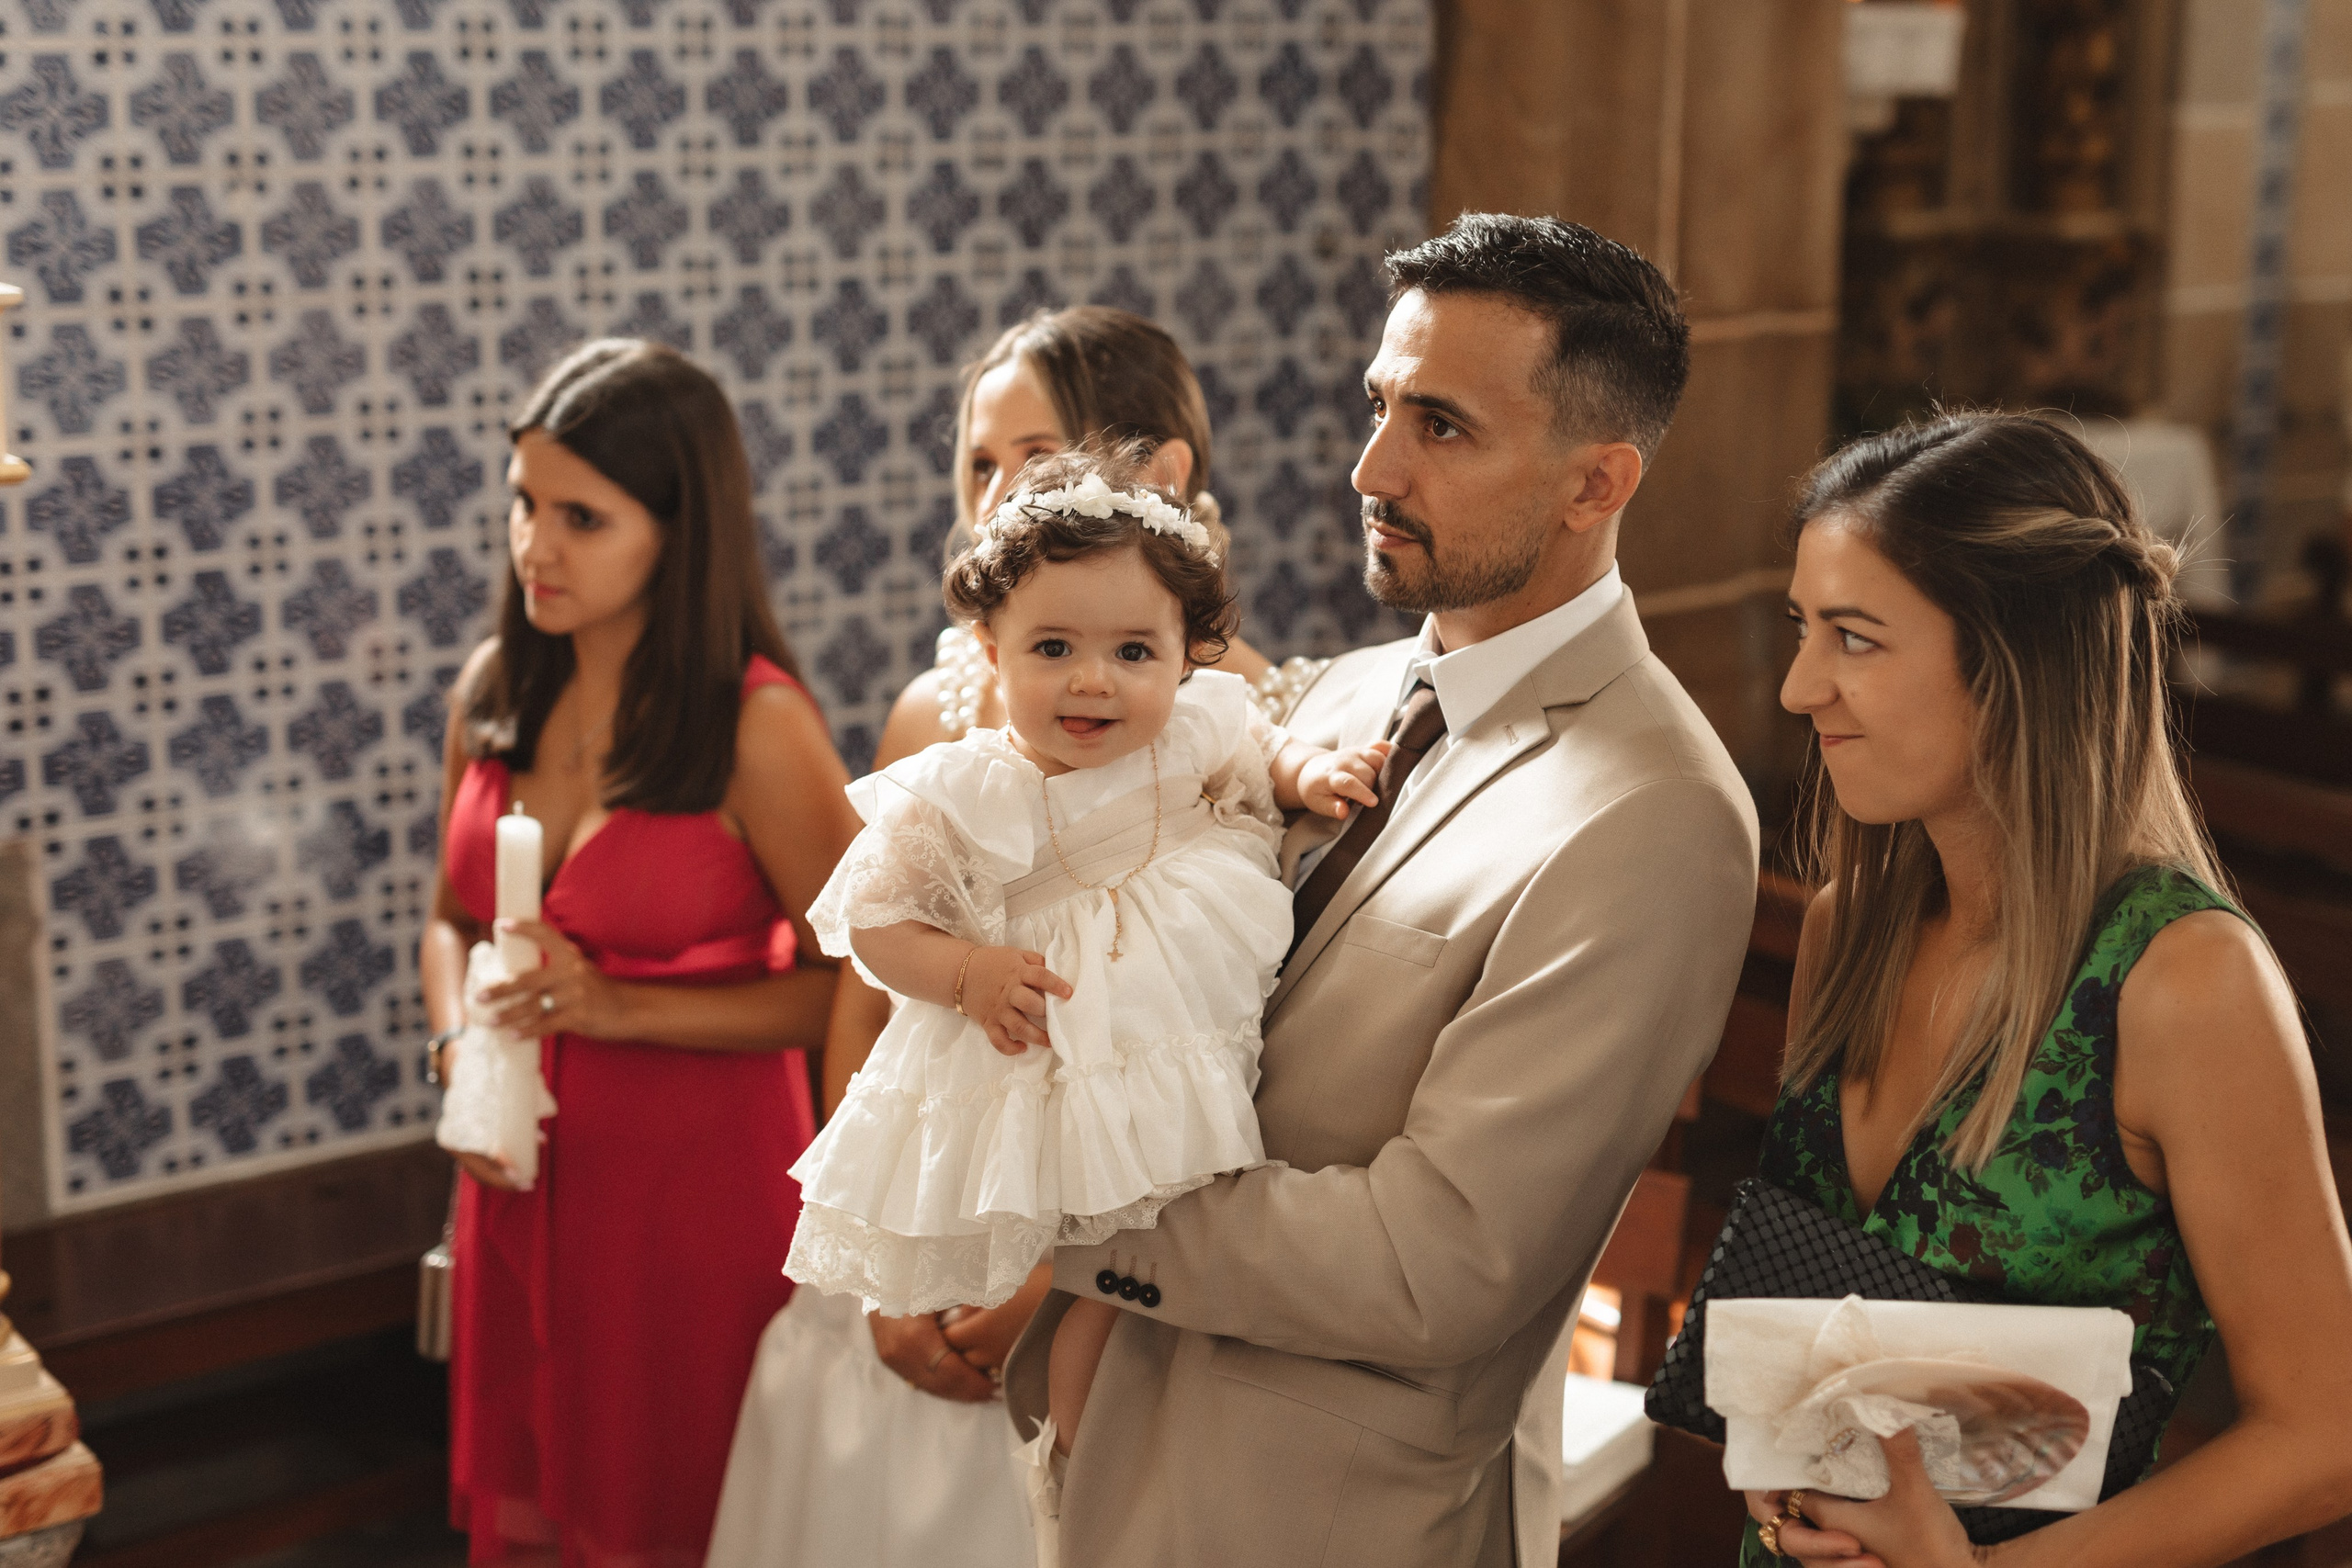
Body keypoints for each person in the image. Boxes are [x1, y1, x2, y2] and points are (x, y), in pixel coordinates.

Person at [1001, 212, 1762, 1566]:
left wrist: (1057, 1187)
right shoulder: (1347, 694)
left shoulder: (1657, 815)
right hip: (1110, 1428)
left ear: (1599, 483)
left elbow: (1436, 1261)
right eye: (1379, 405)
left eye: (1443, 427)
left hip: (1318, 1515)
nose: (1371, 466)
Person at [706, 306, 1339, 1568]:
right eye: (977, 466)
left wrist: (1043, 1279)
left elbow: (1223, 1039)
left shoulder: (1226, 715)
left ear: (1156, 475)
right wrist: (899, 1268)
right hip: (943, 1161)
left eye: (1030, 457)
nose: (995, 494)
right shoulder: (941, 708)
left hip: (1122, 1230)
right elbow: (868, 1000)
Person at [1740, 413, 2352, 1567]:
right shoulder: (1847, 929)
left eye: (1855, 639)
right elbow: (1822, 1342)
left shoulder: (2184, 985)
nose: (1796, 688)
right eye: (1801, 628)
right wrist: (1785, 1484)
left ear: (2015, 663)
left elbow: (2326, 1435)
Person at [424, 340, 862, 1568]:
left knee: (678, 1507)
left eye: (581, 515)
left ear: (678, 529)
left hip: (693, 1193)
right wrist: (462, 1042)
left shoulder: (758, 725)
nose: (534, 545)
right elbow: (449, 922)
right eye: (522, 502)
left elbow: (860, 983)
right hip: (513, 1170)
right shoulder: (491, 693)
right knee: (533, 1497)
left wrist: (619, 1006)